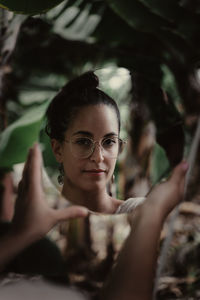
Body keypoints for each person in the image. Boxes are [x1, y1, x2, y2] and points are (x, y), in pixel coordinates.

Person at [0, 71, 188, 299]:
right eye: (83, 141)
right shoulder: (37, 225)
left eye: (109, 142)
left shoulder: (137, 209)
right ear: (58, 149)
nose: (98, 157)